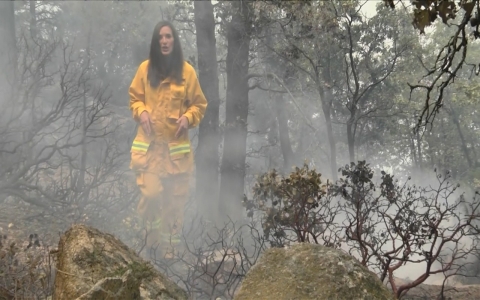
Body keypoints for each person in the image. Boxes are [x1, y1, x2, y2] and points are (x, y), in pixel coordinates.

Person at [128, 21, 207, 257]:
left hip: (176, 155)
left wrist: (188, 118)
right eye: (160, 37)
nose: (164, 41)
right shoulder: (144, 69)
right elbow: (134, 99)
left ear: (175, 40)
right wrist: (141, 112)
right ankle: (148, 245)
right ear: (155, 41)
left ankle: (170, 254)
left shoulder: (187, 73)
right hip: (150, 151)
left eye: (168, 36)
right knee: (151, 195)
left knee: (174, 205)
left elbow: (200, 105)